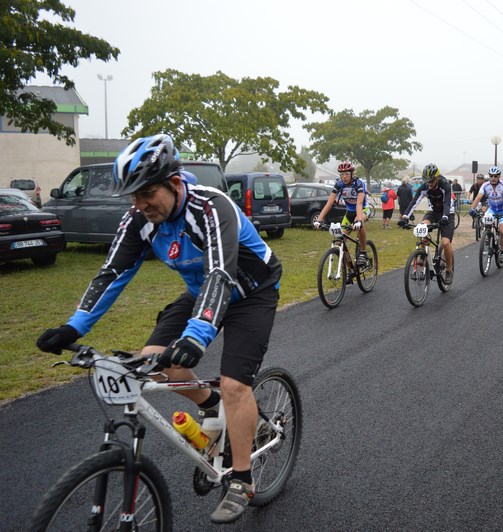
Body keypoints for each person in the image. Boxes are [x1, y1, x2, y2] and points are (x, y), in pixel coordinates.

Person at [35, 134, 282, 524]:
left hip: (251, 292)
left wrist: (196, 337)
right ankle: (214, 409)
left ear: (176, 182)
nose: (140, 204)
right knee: (154, 362)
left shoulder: (212, 208)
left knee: (236, 385)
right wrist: (73, 327)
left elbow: (221, 273)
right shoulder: (139, 219)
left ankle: (242, 478)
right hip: (202, 292)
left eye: (147, 192)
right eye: (133, 196)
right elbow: (112, 272)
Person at [398, 163, 455, 284]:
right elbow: (414, 201)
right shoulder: (425, 187)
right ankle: (423, 254)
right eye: (427, 181)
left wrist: (445, 216)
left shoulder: (445, 185)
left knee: (445, 243)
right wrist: (404, 217)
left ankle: (449, 270)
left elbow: (446, 203)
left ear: (437, 178)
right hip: (433, 212)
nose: (429, 183)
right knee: (421, 227)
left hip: (447, 214)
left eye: (432, 181)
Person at [314, 161, 369, 266]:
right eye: (342, 174)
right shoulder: (339, 184)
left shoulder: (359, 183)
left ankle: (363, 252)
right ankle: (349, 271)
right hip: (349, 213)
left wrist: (358, 220)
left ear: (352, 174)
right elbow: (329, 203)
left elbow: (359, 203)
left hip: (363, 210)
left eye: (347, 174)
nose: (344, 177)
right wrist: (319, 220)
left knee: (359, 224)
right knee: (339, 243)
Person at [469, 165, 503, 262]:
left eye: (495, 176)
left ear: (499, 176)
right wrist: (472, 208)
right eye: (491, 176)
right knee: (486, 223)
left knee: (502, 231)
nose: (493, 178)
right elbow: (478, 198)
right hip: (492, 209)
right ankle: (487, 236)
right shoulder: (485, 185)